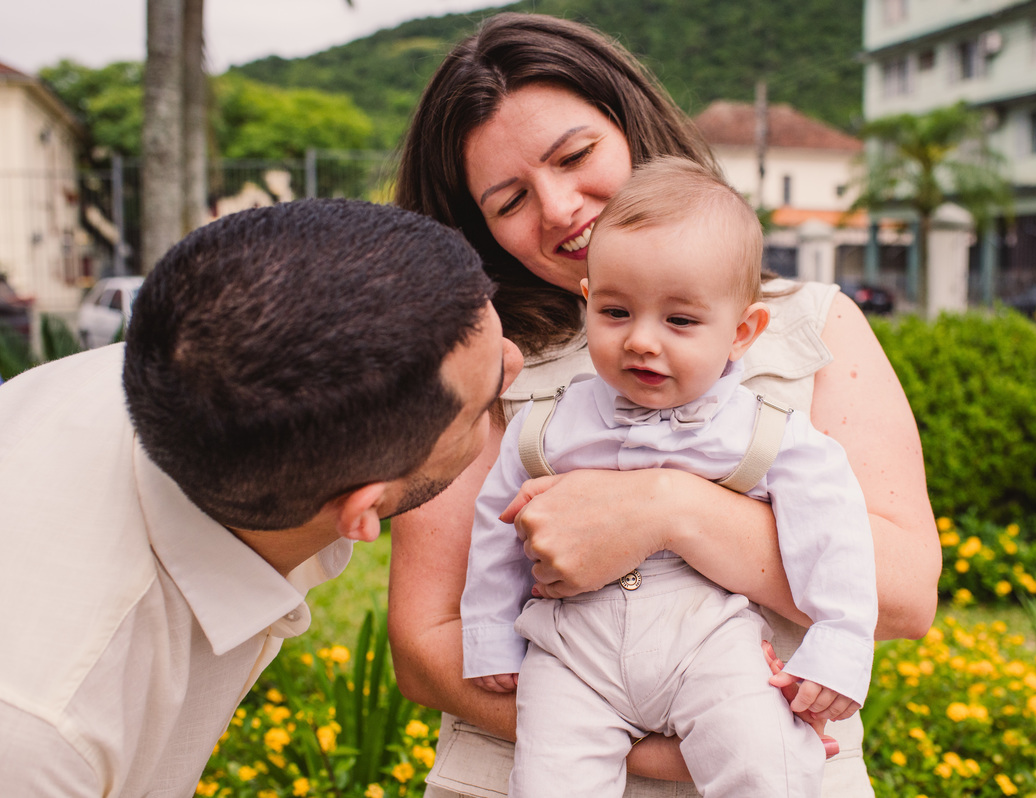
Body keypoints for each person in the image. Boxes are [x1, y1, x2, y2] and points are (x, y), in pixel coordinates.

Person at [391, 12, 940, 798]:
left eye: (576, 156)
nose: (558, 208)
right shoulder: (474, 356)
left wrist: (666, 508)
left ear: (631, 123)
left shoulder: (811, 326)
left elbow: (906, 595)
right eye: (510, 200)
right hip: (526, 769)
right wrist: (659, 754)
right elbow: (426, 645)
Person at [0, 199, 523, 797]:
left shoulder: (203, 367)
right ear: (359, 511)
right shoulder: (46, 729)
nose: (517, 363)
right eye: (485, 402)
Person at [460, 157, 877, 797]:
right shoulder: (548, 425)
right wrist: (489, 630)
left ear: (742, 332)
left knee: (767, 767)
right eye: (617, 312)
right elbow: (497, 527)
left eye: (680, 320)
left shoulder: (766, 430)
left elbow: (835, 536)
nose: (642, 342)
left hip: (711, 641)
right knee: (547, 782)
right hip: (572, 651)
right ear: (588, 304)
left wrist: (839, 644)